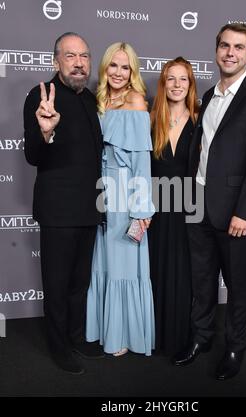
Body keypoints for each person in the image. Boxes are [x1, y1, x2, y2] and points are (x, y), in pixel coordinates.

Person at [173, 23, 246, 380]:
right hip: (198, 205)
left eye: (238, 47)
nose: (230, 53)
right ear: (217, 50)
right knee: (201, 280)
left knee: (238, 285)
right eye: (224, 46)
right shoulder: (208, 95)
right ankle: (201, 337)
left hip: (236, 212)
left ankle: (235, 346)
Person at [24, 32, 104, 374]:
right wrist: (45, 132)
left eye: (84, 56)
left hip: (89, 208)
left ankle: (76, 337)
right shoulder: (42, 96)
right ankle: (59, 347)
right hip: (58, 210)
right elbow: (32, 155)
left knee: (78, 283)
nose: (79, 63)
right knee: (57, 284)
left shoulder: (88, 99)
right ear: (56, 60)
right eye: (70, 56)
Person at [86, 42, 155, 356]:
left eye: (124, 67)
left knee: (124, 265)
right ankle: (104, 328)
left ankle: (125, 336)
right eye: (112, 65)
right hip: (99, 191)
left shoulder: (135, 101)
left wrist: (141, 208)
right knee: (104, 263)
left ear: (133, 72)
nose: (117, 72)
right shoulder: (100, 101)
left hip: (124, 193)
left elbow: (142, 161)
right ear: (104, 67)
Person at [149, 57, 200, 357]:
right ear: (163, 83)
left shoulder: (201, 119)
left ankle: (181, 336)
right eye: (171, 79)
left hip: (191, 206)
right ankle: (153, 334)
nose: (177, 85)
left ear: (191, 84)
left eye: (183, 79)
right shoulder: (151, 117)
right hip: (156, 206)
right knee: (156, 267)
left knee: (185, 272)